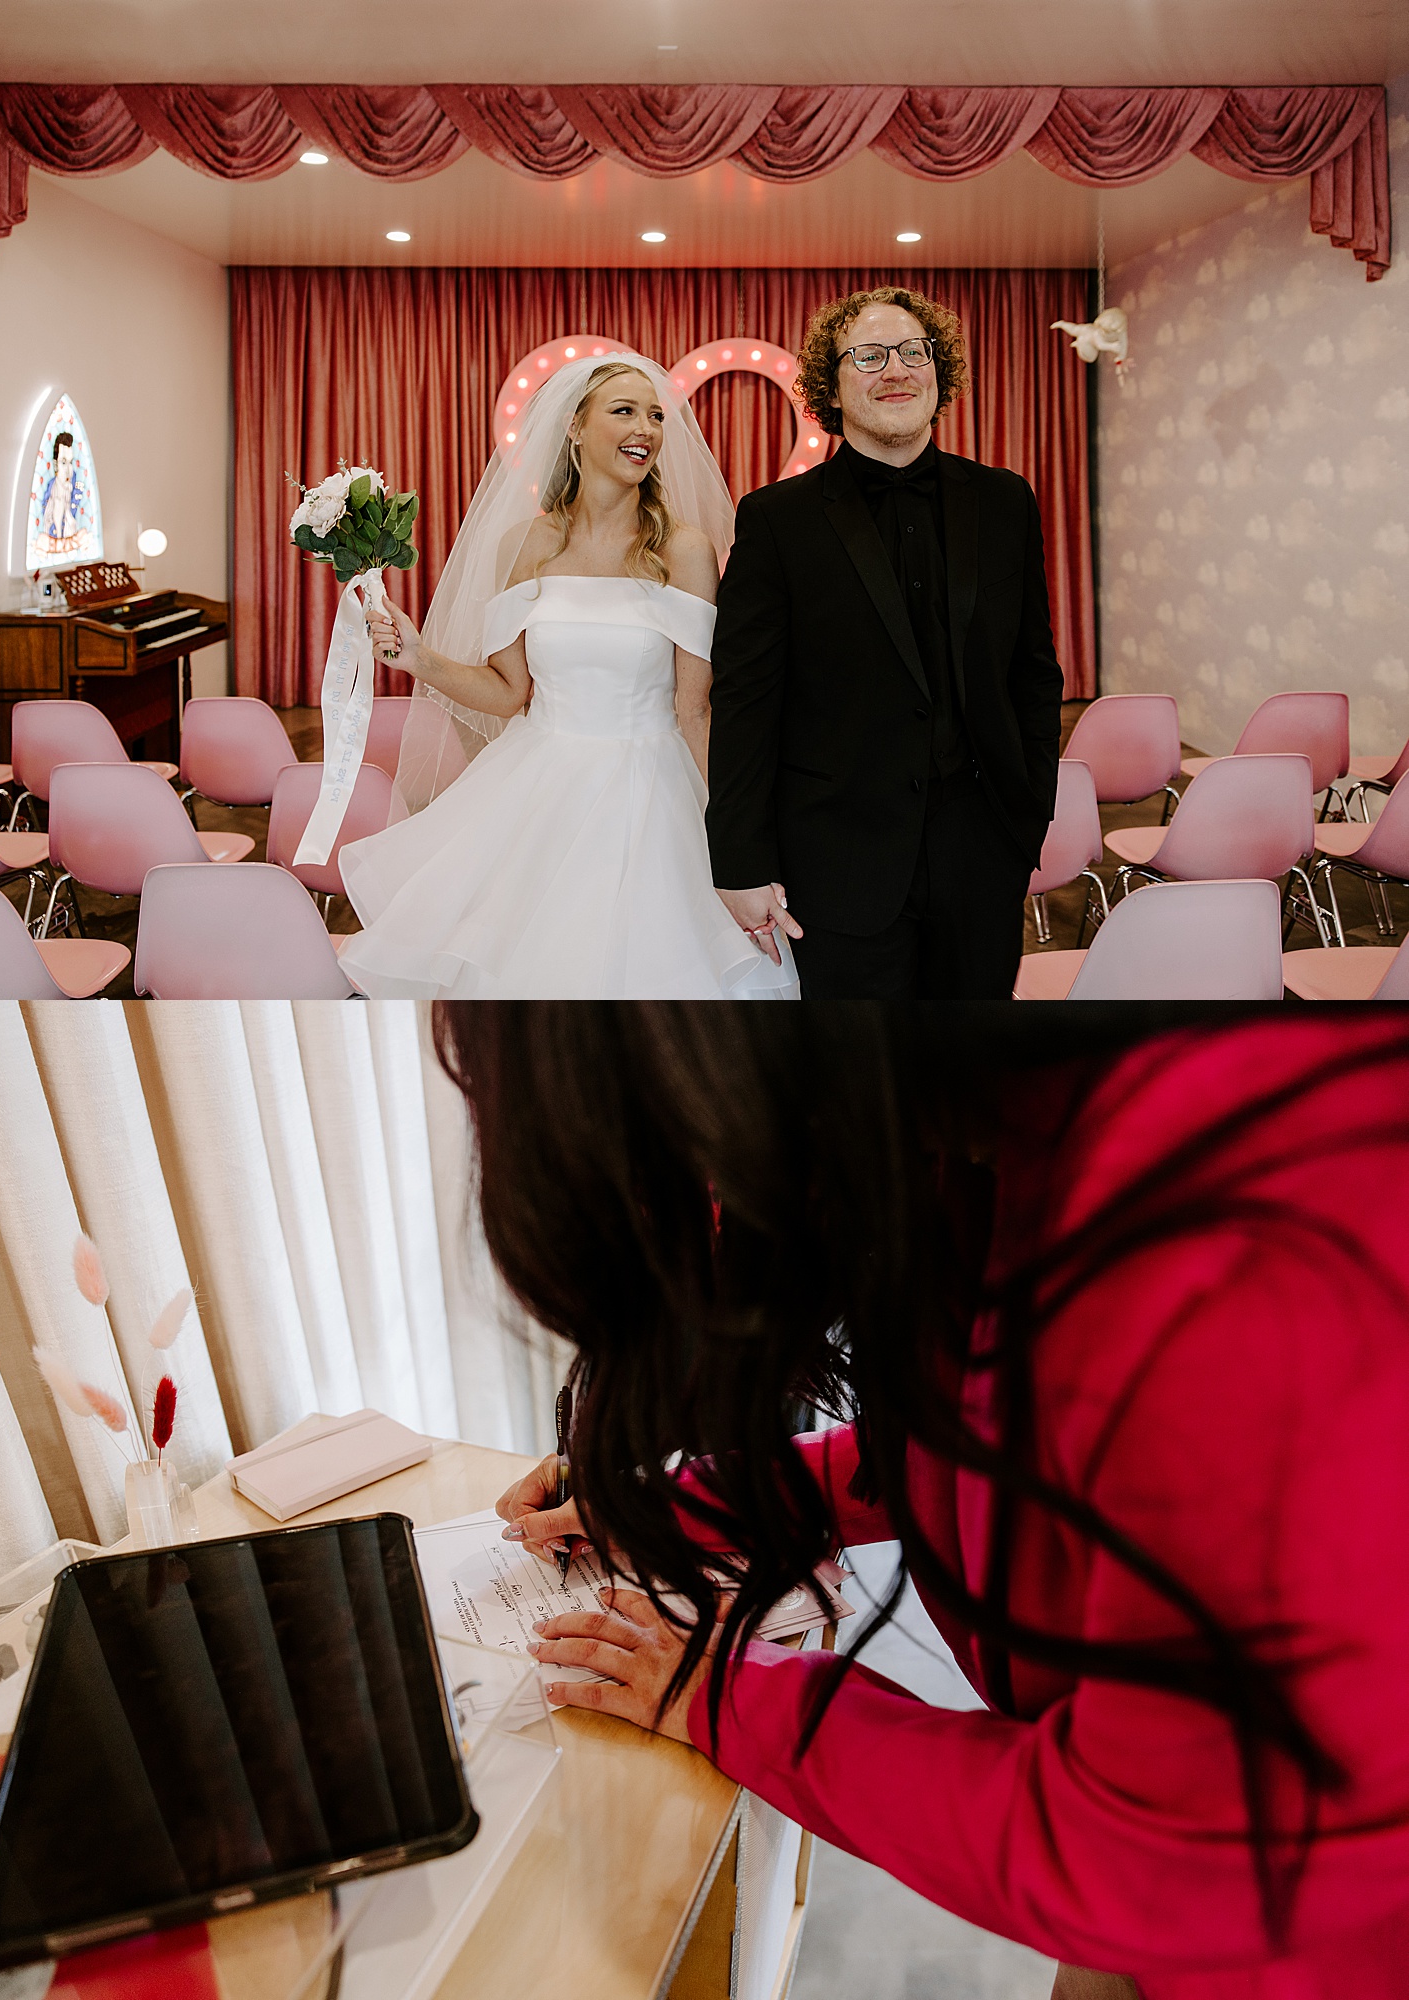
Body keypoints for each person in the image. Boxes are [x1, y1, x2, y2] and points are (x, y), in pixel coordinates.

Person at [433, 1005, 1409, 2000]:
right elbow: (968, 1444)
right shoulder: (985, 1133)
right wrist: (668, 1503)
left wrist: (727, 1692)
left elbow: (1136, 1848)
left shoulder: (1248, 1270)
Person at [335, 354, 796, 999]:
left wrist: (737, 839)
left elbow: (696, 710)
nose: (647, 428)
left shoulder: (682, 551)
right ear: (575, 427)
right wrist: (420, 660)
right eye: (625, 410)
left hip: (655, 788)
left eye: (657, 415)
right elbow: (509, 692)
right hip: (539, 785)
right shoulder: (527, 544)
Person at [706, 287, 1065, 999]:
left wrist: (1027, 816)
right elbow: (745, 698)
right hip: (836, 858)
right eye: (868, 356)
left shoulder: (1005, 501)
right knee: (855, 1078)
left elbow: (1033, 672)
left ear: (939, 372)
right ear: (830, 387)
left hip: (983, 850)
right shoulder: (777, 519)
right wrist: (740, 862)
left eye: (912, 352)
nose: (894, 369)